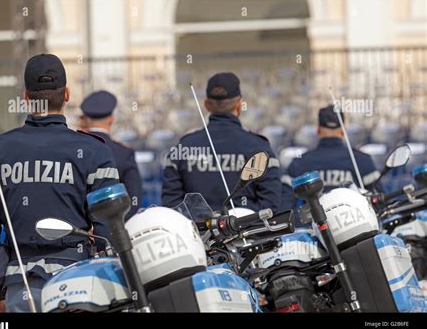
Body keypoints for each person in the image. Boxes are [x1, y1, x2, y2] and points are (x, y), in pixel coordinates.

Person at [0, 54, 119, 312]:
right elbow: (110, 226)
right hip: (80, 286)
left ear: (26, 98)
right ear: (68, 95)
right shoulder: (94, 151)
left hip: (20, 286)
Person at [161, 72, 282, 212]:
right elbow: (270, 206)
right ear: (239, 104)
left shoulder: (182, 148)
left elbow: (171, 206)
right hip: (247, 232)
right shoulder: (259, 147)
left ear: (206, 105)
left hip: (197, 232)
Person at [281, 104, 382, 210]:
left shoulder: (300, 162)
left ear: (318, 130)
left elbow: (284, 204)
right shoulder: (361, 160)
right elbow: (378, 201)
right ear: (343, 130)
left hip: (314, 225)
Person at [80, 90, 142, 220]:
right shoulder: (124, 153)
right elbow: (133, 200)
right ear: (111, 119)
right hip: (112, 230)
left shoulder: (74, 149)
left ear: (85, 119)